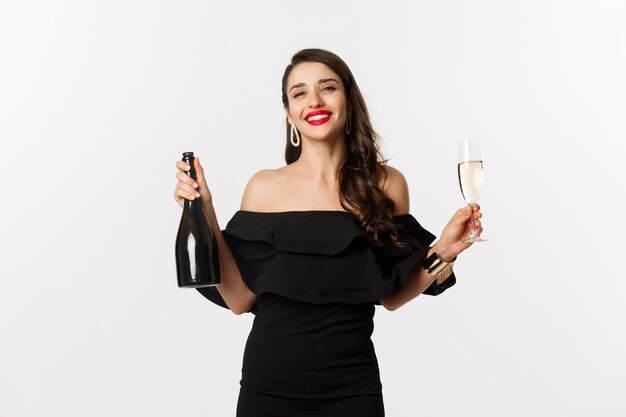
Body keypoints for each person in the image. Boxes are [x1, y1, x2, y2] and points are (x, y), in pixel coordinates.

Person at [173, 48, 483, 417]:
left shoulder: (387, 185)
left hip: (353, 391)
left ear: (348, 101)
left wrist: (444, 250)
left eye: (327, 87)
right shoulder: (263, 187)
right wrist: (206, 211)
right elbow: (239, 299)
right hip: (267, 388)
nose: (314, 100)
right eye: (299, 93)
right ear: (289, 113)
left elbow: (393, 296)